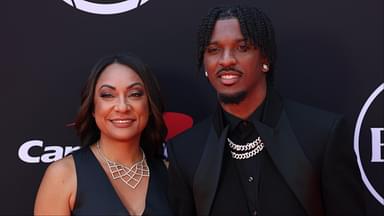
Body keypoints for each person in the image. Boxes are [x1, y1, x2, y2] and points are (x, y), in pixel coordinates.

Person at [167, 5, 366, 216]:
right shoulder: (186, 151)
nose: (226, 60)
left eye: (242, 47)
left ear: (265, 59)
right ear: (205, 63)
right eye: (214, 50)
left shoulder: (322, 135)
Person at [35, 53, 173, 215]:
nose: (122, 107)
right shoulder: (64, 174)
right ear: (93, 107)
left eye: (135, 94)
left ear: (149, 105)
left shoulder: (170, 174)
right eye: (108, 95)